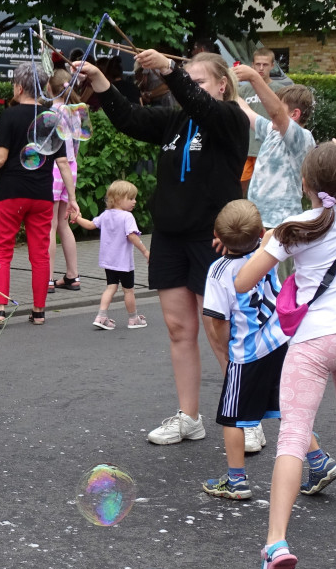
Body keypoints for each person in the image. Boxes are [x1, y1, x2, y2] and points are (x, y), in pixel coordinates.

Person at [77, 50, 247, 445]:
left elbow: (200, 103)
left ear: (222, 85)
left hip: (213, 238)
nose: (190, 87)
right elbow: (131, 119)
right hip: (171, 236)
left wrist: (171, 71)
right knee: (178, 328)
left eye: (200, 81)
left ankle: (245, 417)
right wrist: (102, 84)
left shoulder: (230, 120)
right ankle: (189, 416)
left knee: (219, 330)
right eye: (190, 80)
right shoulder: (175, 121)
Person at [233, 143, 336, 569]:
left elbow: (243, 281)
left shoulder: (293, 228)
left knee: (292, 434)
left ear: (304, 183)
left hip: (312, 342)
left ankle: (276, 543)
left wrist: (271, 247)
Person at [200, 200, 335, 501]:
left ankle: (236, 480)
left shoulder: (219, 271)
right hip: (279, 343)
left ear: (217, 234)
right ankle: (318, 461)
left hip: (247, 352)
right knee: (286, 408)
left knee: (231, 416)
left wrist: (225, 350)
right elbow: (272, 233)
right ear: (259, 232)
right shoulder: (267, 251)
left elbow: (217, 321)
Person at [0, 62, 78, 327]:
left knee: (2, 251)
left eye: (14, 83)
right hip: (42, 195)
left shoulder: (9, 116)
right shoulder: (51, 118)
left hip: (11, 193)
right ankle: (38, 312)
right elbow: (62, 163)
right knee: (40, 254)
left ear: (20, 86)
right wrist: (72, 199)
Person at [233, 64, 316, 237]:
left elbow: (276, 112)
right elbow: (246, 111)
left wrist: (254, 77)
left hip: (282, 224)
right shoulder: (272, 130)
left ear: (294, 114)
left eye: (278, 107)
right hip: (258, 221)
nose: (270, 113)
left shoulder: (302, 138)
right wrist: (230, 87)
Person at [71, 180, 150, 330]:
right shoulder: (127, 217)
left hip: (109, 261)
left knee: (111, 287)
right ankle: (133, 319)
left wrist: (77, 218)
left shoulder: (106, 214)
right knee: (128, 290)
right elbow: (132, 236)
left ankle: (101, 316)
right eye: (131, 198)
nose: (135, 201)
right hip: (124, 263)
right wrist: (146, 252)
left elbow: (90, 225)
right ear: (118, 199)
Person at [238, 47, 294, 195]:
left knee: (264, 190)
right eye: (258, 64)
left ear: (272, 65)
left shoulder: (280, 90)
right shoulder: (243, 91)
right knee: (239, 186)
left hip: (268, 148)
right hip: (246, 147)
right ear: (252, 65)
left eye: (265, 64)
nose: (261, 68)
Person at [46, 69, 81, 294]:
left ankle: (47, 279)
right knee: (63, 224)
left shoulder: (50, 112)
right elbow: (76, 145)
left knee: (48, 226)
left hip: (53, 169)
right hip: (70, 169)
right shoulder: (75, 113)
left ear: (50, 88)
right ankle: (72, 275)